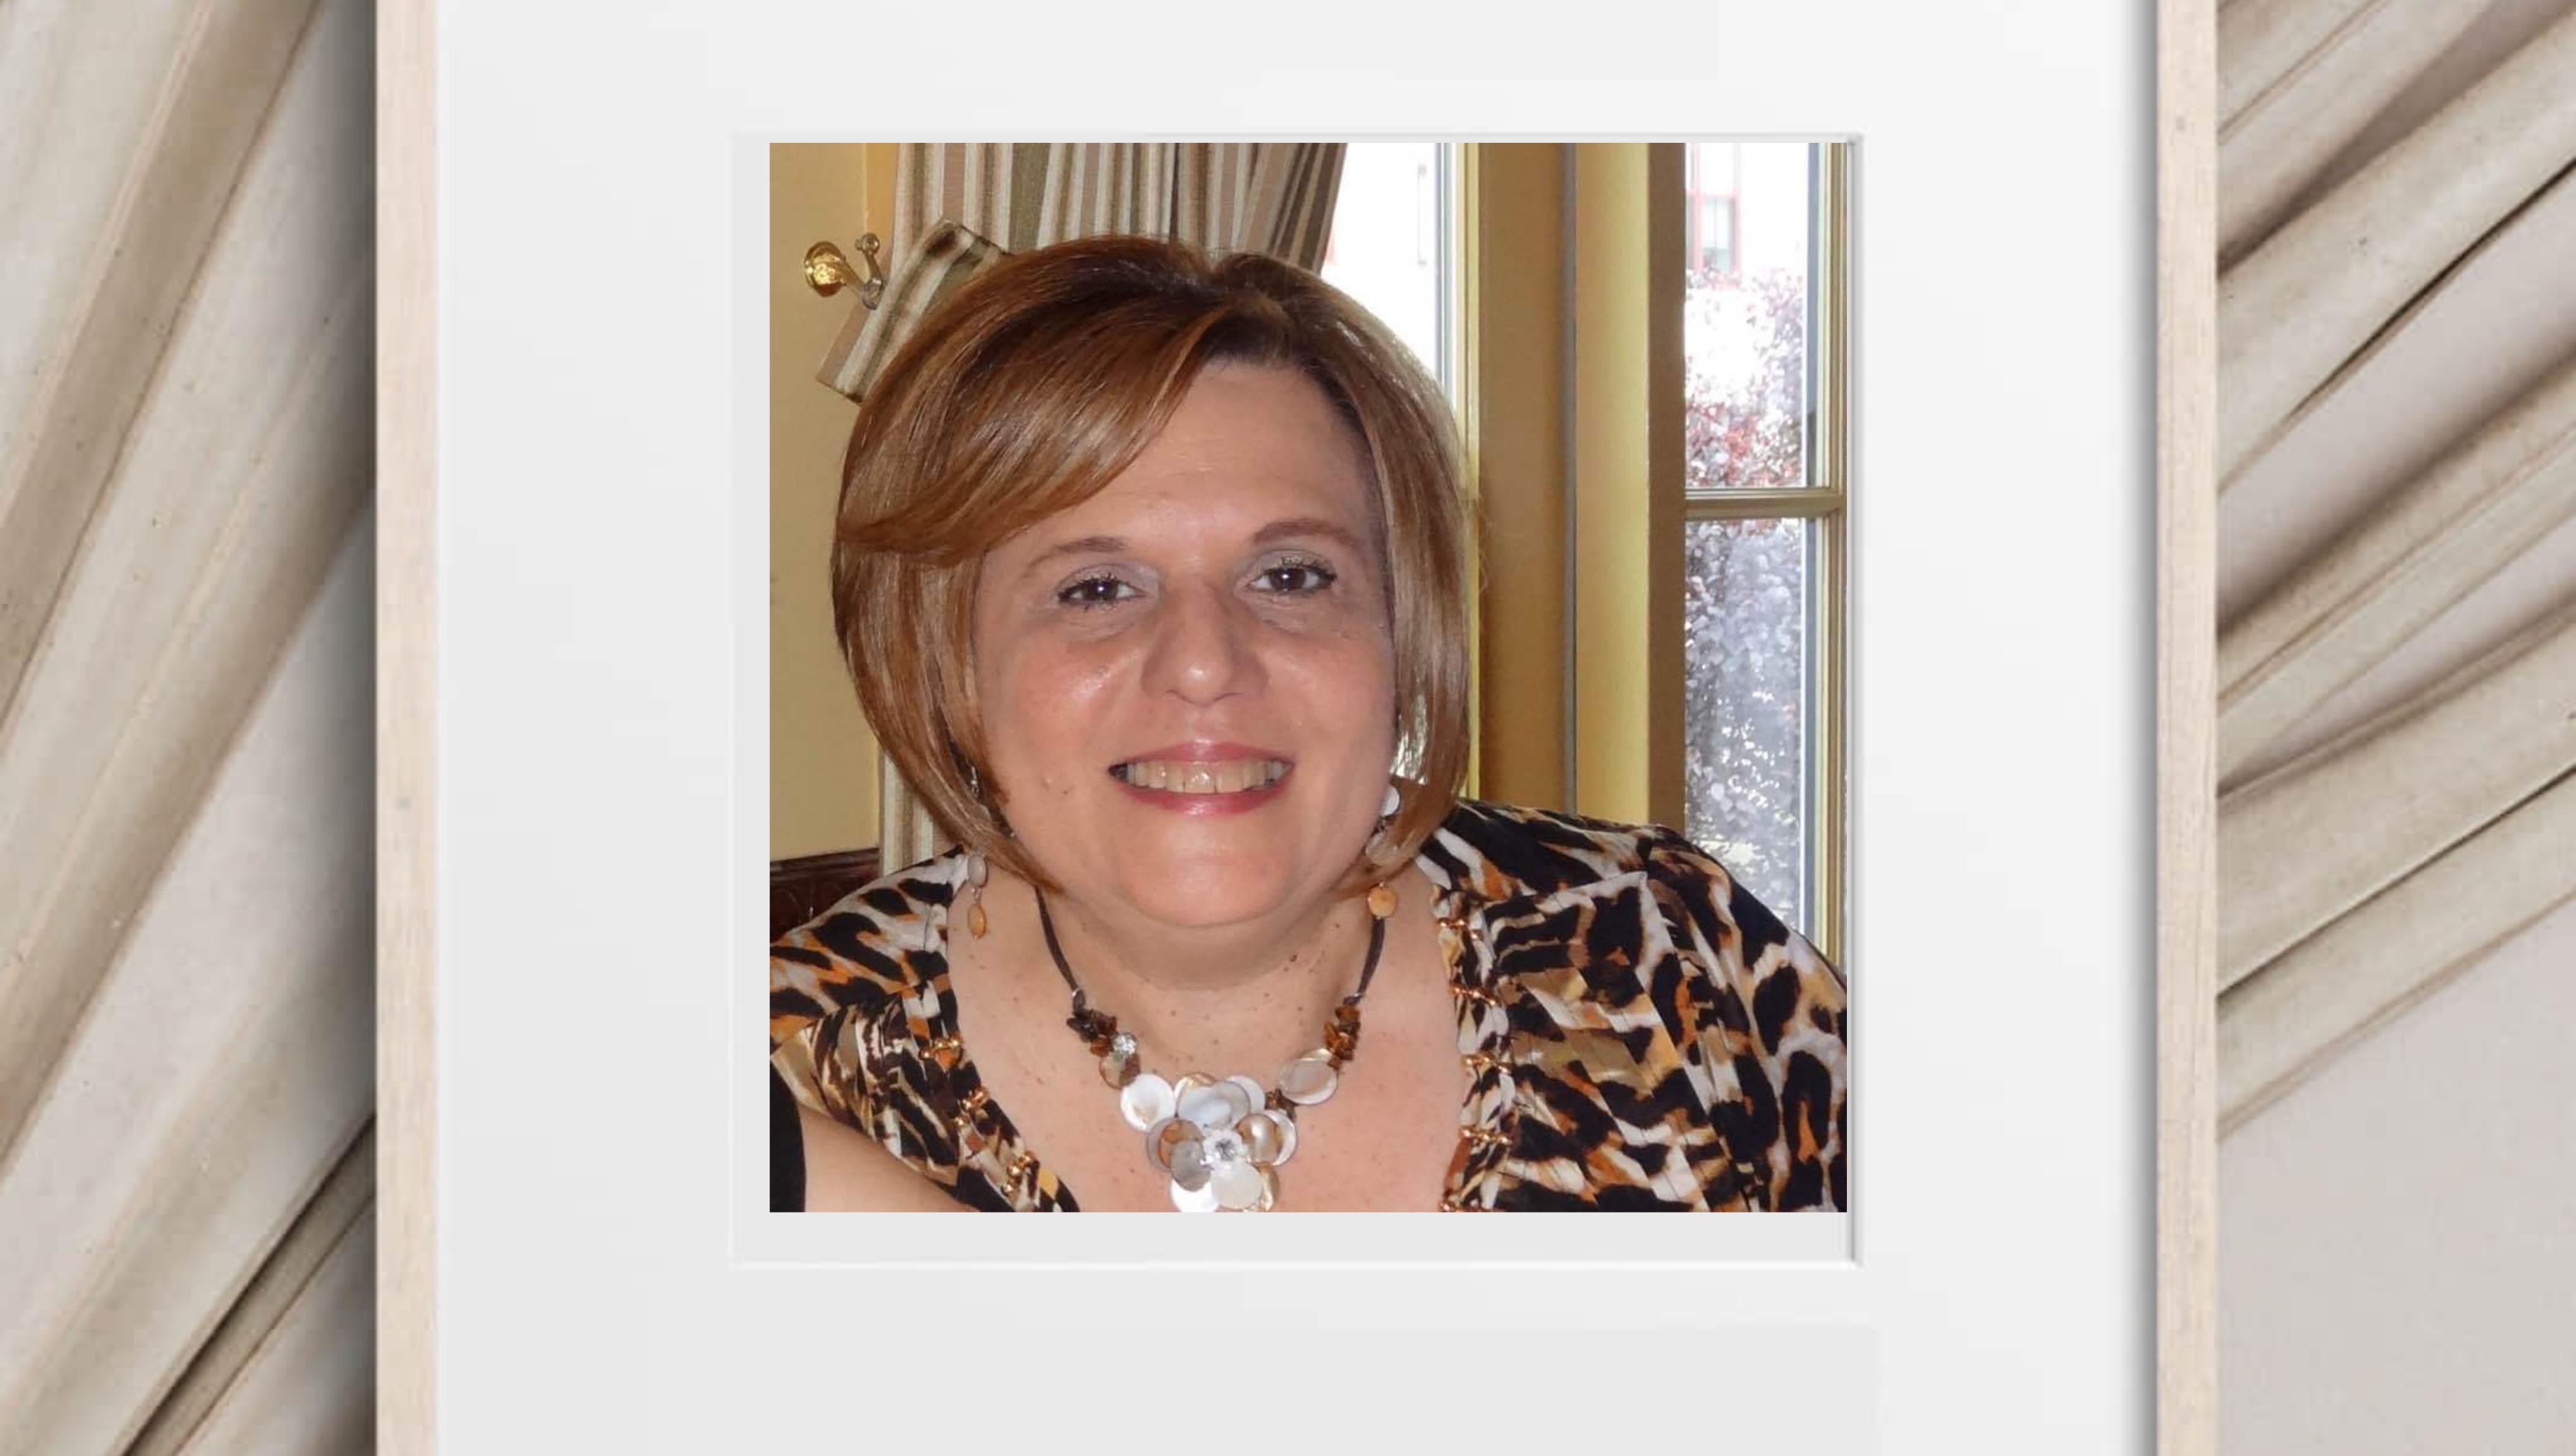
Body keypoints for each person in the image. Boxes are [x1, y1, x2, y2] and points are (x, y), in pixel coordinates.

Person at [769, 233, 1847, 1212]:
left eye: (1290, 574)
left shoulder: (1677, 963)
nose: (1204, 663)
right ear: (948, 662)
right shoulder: (783, 1087)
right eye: (1095, 588)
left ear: (1402, 627)